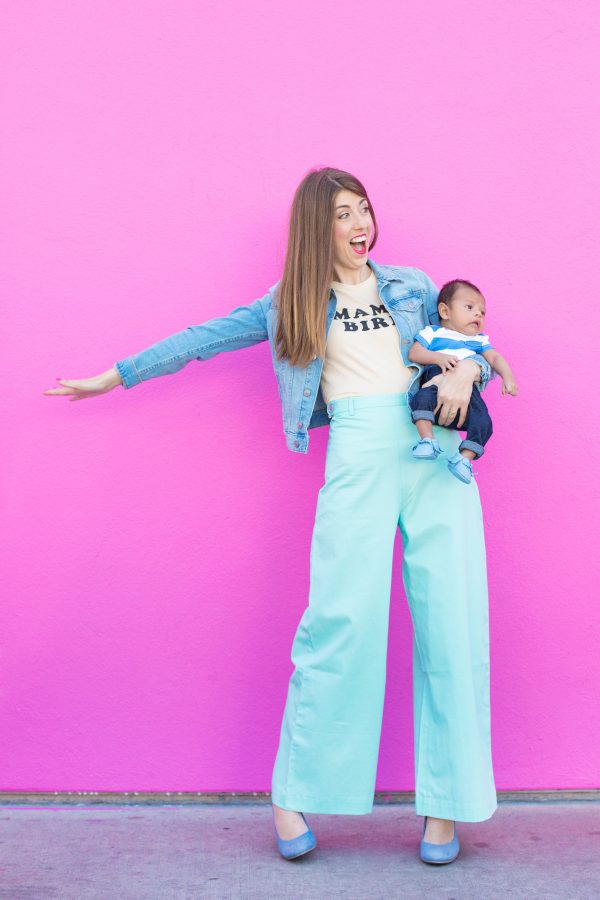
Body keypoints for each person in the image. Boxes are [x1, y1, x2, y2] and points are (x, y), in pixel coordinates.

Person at [42, 167, 498, 866]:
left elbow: (464, 348)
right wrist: (118, 373)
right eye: (343, 214)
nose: (359, 224)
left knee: (452, 624)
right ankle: (292, 792)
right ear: (319, 226)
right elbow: (203, 338)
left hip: (433, 454)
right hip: (358, 455)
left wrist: (470, 372)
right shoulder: (290, 301)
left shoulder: (411, 282)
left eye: (364, 210)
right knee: (339, 625)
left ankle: (444, 807)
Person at [408, 279, 518, 484]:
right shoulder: (433, 333)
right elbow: (415, 352)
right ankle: (427, 440)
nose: (478, 314)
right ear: (445, 311)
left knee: (484, 422)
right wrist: (437, 358)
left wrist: (508, 377)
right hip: (436, 377)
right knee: (420, 398)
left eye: (482, 312)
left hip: (468, 392)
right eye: (469, 307)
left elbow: (494, 358)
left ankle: (464, 459)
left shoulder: (480, 340)